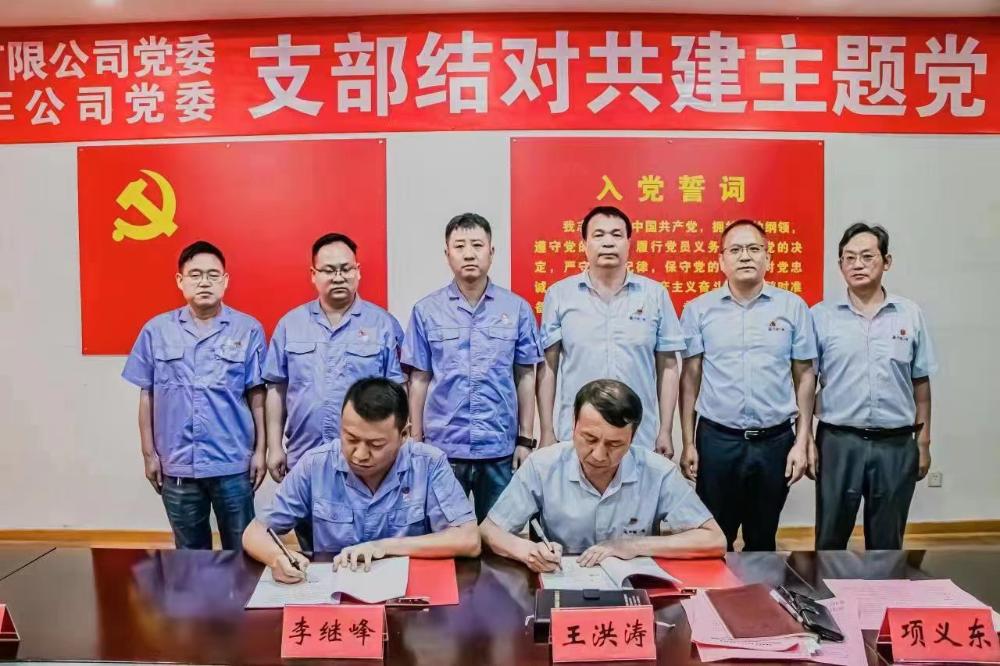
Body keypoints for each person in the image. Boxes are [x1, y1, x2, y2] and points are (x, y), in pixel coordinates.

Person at [243, 378, 480, 581]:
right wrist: (277, 558)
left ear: (404, 434)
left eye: (375, 444)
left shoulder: (428, 464)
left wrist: (384, 547)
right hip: (335, 590)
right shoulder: (316, 464)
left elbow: (468, 539)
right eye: (351, 439)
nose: (359, 455)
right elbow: (254, 532)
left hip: (409, 594)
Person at [481, 379, 725, 572]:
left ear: (633, 437)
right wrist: (528, 551)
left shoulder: (657, 472)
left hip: (633, 586)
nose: (598, 455)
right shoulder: (542, 466)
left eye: (614, 444)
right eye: (589, 438)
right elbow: (489, 531)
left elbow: (714, 539)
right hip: (563, 580)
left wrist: (632, 546)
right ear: (574, 424)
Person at [679, 220, 816, 551]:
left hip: (774, 442)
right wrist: (688, 442)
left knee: (763, 538)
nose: (745, 256)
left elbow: (805, 376)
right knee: (714, 539)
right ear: (721, 260)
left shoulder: (792, 307)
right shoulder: (698, 310)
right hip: (717, 440)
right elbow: (690, 378)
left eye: (754, 249)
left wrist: (801, 442)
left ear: (768, 258)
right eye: (736, 250)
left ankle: (760, 587)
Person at [263, 233, 404, 552]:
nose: (338, 276)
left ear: (358, 272)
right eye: (329, 270)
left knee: (367, 545)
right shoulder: (290, 325)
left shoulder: (383, 325)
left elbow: (397, 393)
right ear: (313, 275)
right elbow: (276, 388)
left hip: (365, 461)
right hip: (305, 456)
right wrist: (274, 446)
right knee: (312, 548)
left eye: (346, 268)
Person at [122, 241, 266, 550]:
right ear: (180, 280)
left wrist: (260, 451)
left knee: (243, 552)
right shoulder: (156, 331)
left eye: (213, 275)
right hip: (177, 464)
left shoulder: (248, 329)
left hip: (233, 464)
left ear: (225, 280)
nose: (204, 282)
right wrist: (149, 454)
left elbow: (257, 396)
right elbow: (147, 395)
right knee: (189, 556)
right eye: (196, 274)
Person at [402, 213, 542, 522]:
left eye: (477, 245)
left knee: (498, 536)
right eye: (459, 246)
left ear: (491, 252)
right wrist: (416, 442)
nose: (469, 254)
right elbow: (419, 379)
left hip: (500, 448)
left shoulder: (516, 309)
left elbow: (525, 376)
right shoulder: (426, 311)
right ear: (447, 254)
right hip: (443, 449)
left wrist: (525, 440)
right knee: (443, 534)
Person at [811, 222, 937, 550]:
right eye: (849, 257)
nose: (858, 264)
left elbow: (921, 383)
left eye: (867, 256)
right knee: (830, 538)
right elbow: (805, 383)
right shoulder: (820, 316)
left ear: (886, 261)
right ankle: (827, 587)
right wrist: (805, 441)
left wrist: (923, 443)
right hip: (839, 441)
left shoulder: (909, 314)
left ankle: (883, 585)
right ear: (840, 264)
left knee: (887, 542)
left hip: (896, 444)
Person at [537, 206, 685, 455]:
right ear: (584, 244)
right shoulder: (559, 295)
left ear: (628, 243)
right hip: (576, 435)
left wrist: (666, 431)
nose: (608, 242)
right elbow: (548, 367)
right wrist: (546, 431)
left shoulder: (655, 295)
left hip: (638, 435)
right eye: (599, 235)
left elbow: (668, 367)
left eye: (616, 235)